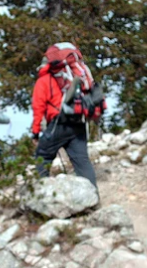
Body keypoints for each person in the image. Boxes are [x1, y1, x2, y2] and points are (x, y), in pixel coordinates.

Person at [30, 42, 100, 187]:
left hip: (59, 122)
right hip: (78, 120)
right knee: (81, 160)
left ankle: (41, 195)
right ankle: (93, 196)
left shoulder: (44, 81)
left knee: (42, 155)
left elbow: (38, 108)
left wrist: (35, 133)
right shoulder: (72, 75)